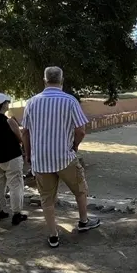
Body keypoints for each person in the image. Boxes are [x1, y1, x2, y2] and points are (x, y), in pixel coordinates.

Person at [22, 66, 101, 248]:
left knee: (47, 200)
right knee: (80, 190)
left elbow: (25, 132)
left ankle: (53, 236)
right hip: (65, 158)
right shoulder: (70, 101)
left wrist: (28, 154)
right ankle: (83, 222)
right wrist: (74, 146)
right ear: (62, 80)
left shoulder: (32, 102)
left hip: (41, 160)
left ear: (44, 80)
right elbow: (81, 130)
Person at [0, 93, 27, 226]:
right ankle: (16, 213)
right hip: (11, 157)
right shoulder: (9, 121)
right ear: (3, 105)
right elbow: (20, 138)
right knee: (15, 185)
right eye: (7, 102)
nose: (8, 104)